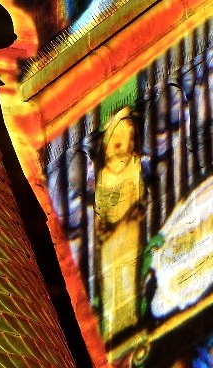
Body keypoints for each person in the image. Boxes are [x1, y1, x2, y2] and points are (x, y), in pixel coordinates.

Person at [93, 109, 145, 341]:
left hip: (129, 230)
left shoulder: (134, 166)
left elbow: (140, 197)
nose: (122, 141)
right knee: (109, 276)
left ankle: (129, 319)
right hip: (110, 238)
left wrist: (132, 214)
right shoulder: (104, 175)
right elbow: (100, 207)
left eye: (127, 135)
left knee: (127, 273)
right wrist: (101, 225)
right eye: (118, 135)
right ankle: (112, 325)